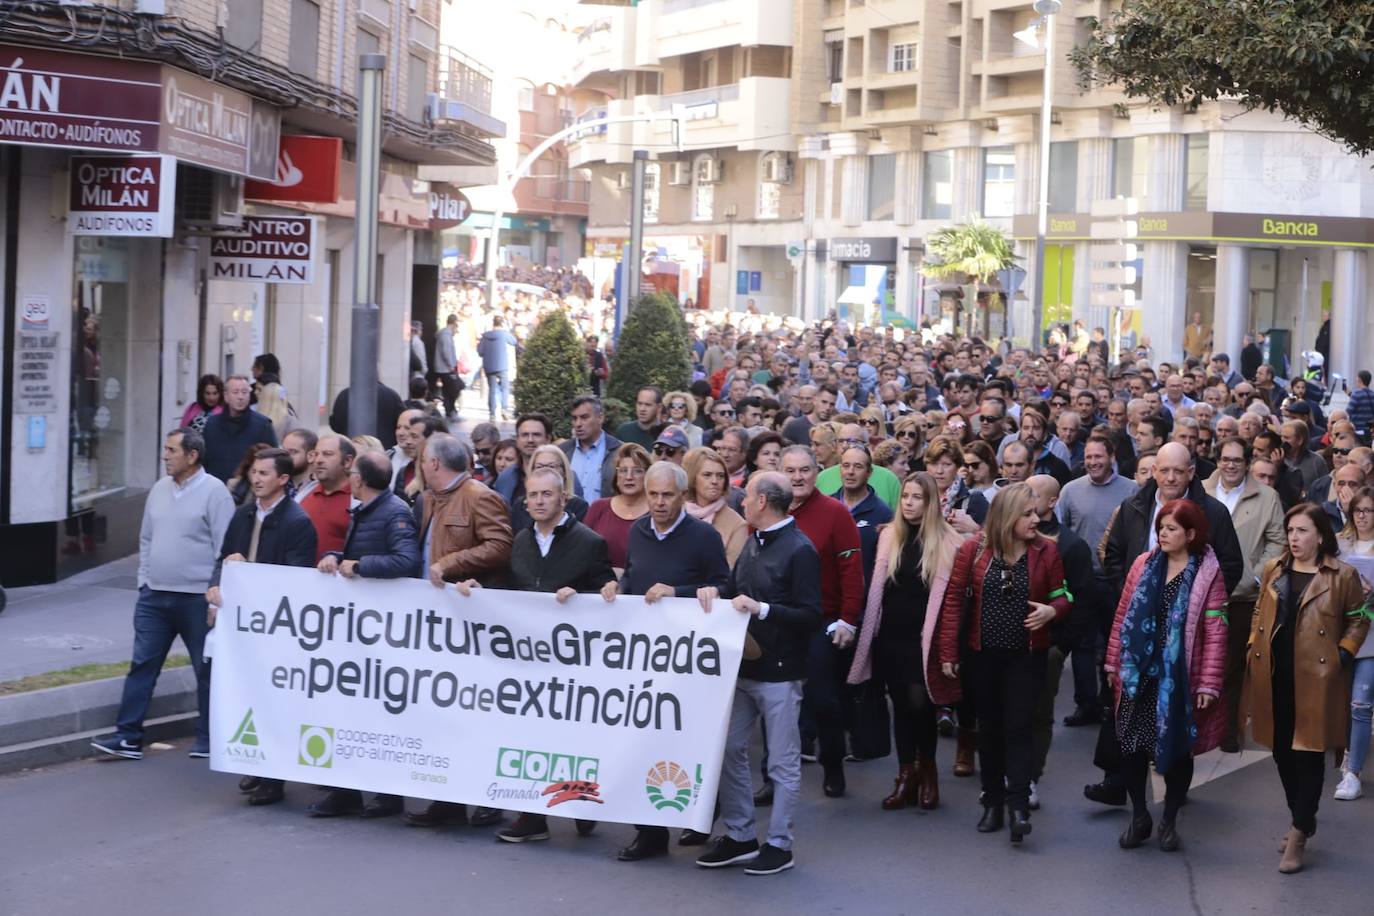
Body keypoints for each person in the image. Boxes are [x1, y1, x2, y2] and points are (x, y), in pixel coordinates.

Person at [453, 466, 614, 844]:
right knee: (531, 737)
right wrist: (482, 589)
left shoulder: (589, 542)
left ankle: (581, 804)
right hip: (527, 661)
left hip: (573, 662)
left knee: (573, 739)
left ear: (563, 498)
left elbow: (608, 593)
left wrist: (581, 596)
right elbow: (511, 587)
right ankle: (532, 817)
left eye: (546, 495)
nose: (539, 502)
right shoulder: (520, 541)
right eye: (533, 496)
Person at [1091, 442, 1244, 805]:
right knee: (1123, 710)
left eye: (1179, 470)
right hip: (1138, 629)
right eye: (1165, 470)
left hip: (1184, 638)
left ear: (1192, 472)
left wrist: (1200, 599)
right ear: (1154, 471)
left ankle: (1172, 794)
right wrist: (1130, 593)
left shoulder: (1213, 512)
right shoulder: (1134, 505)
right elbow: (1113, 553)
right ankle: (1121, 787)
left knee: (1174, 718)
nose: (1171, 477)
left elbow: (1230, 565)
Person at [694, 471, 822, 876]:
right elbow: (734, 591)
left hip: (781, 673)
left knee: (782, 762)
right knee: (730, 749)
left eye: (746, 495)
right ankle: (741, 835)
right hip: (744, 666)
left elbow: (811, 615)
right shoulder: (754, 540)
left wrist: (762, 609)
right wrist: (716, 593)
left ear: (763, 501)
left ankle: (780, 844)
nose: (741, 500)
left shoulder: (800, 550)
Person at [603, 461, 730, 862]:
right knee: (645, 738)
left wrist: (681, 591)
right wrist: (616, 586)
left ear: (683, 495)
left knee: (690, 739)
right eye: (652, 494)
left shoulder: (704, 536)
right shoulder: (639, 531)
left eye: (667, 495)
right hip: (645, 656)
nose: (658, 503)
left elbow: (725, 587)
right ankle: (650, 831)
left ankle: (704, 810)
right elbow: (635, 581)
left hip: (689, 658)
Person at [937, 483, 1071, 843]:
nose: (1035, 519)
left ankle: (1018, 807)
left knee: (1019, 728)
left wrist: (1052, 610)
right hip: (982, 655)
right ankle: (992, 802)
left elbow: (1065, 594)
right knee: (990, 729)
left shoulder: (1047, 551)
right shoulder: (974, 550)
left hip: (1026, 657)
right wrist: (948, 653)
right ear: (1007, 517)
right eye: (1026, 514)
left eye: (1035, 512)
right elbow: (953, 603)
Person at [91, 429, 234, 761]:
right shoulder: (158, 489)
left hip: (196, 599)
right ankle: (128, 737)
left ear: (192, 455)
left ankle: (209, 738)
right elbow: (146, 539)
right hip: (154, 597)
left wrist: (216, 596)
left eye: (171, 450)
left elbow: (224, 549)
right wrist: (144, 581)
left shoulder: (215, 494)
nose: (165, 455)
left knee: (206, 669)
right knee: (142, 666)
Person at [1244, 503, 1370, 873]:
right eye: (1290, 530)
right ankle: (1302, 815)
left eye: (1301, 530)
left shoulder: (1341, 575)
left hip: (1317, 677)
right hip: (1275, 673)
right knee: (1282, 752)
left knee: (1309, 753)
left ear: (1320, 535)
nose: (1294, 538)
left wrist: (1342, 656)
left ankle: (1299, 832)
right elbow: (1258, 612)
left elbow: (1359, 619)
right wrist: (1254, 644)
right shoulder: (1274, 569)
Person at [1105, 499, 1229, 852]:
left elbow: (1216, 631)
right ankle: (1140, 815)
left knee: (1176, 751)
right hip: (1139, 671)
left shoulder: (1207, 573)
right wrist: (1114, 663)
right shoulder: (1144, 564)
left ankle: (1170, 820)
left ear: (1191, 534)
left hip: (1180, 677)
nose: (1163, 534)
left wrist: (1209, 682)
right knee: (1130, 745)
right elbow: (1123, 614)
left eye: (1171, 528)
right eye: (1161, 527)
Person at [308, 449, 421, 819]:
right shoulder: (368, 510)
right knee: (349, 709)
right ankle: (347, 790)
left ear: (358, 479)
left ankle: (388, 794)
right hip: (361, 629)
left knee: (380, 714)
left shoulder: (394, 512)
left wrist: (359, 566)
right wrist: (337, 556)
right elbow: (362, 553)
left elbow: (406, 561)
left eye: (352, 472)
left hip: (382, 632)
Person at [205, 448, 317, 806]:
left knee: (275, 701)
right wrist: (216, 590)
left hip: (276, 628)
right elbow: (224, 558)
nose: (256, 479)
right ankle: (254, 762)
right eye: (253, 472)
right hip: (242, 624)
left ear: (283, 480)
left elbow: (294, 583)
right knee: (247, 695)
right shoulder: (243, 515)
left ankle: (274, 778)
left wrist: (248, 574)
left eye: (264, 474)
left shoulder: (297, 522)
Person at [848, 472, 962, 810]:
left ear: (931, 504)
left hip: (924, 641)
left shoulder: (949, 542)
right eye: (905, 496)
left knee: (922, 707)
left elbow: (954, 601)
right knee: (900, 707)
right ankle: (905, 775)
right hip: (890, 638)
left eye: (917, 498)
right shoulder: (889, 537)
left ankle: (927, 774)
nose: (909, 503)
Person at [782, 444, 865, 796]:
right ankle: (775, 776)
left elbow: (851, 570)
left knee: (823, 699)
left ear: (817, 473)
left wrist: (848, 619)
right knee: (776, 702)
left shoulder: (835, 512)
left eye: (805, 470)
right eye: (790, 471)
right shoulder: (768, 508)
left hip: (822, 620)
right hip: (777, 620)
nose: (798, 478)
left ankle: (832, 764)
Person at [1203, 437, 1286, 751]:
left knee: (1233, 666)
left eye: (1237, 460)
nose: (1230, 465)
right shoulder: (1200, 491)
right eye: (1225, 459)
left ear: (1247, 462)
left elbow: (1278, 542)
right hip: (1202, 593)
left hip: (1243, 596)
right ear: (1218, 461)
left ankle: (1226, 730)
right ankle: (1197, 725)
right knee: (1199, 662)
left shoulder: (1267, 497)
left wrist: (1254, 575)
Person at [1334, 486, 1374, 801]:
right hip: (1342, 631)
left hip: (1372, 636)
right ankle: (1347, 751)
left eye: (1369, 510)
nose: (1362, 516)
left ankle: (1354, 773)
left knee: (1361, 702)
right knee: (1340, 701)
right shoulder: (1339, 544)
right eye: (1358, 510)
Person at [582, 443, 652, 572]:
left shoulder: (656, 511)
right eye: (623, 470)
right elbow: (582, 551)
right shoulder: (598, 508)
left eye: (637, 471)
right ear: (616, 476)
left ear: (647, 475)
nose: (629, 477)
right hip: (600, 587)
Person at [835, 445, 895, 589]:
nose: (850, 472)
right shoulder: (826, 507)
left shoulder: (883, 514)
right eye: (846, 465)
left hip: (864, 600)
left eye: (858, 467)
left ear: (869, 472)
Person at [202, 375, 278, 481]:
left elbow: (274, 461)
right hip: (216, 488)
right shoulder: (212, 424)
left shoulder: (263, 425)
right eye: (236, 392)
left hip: (249, 490)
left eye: (244, 392)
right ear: (226, 396)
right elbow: (204, 460)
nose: (240, 397)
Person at [684, 447, 748, 567]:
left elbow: (729, 573)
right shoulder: (677, 513)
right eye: (707, 475)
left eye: (720, 476)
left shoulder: (737, 525)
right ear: (692, 479)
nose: (715, 481)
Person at [816, 423, 901, 509]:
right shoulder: (821, 478)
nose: (845, 446)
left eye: (852, 441)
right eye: (841, 441)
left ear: (867, 446)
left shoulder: (889, 479)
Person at [299, 435, 356, 562]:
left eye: (327, 454)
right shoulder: (302, 496)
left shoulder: (360, 501)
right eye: (316, 454)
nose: (318, 460)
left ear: (347, 461)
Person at [563, 395, 622, 502]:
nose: (578, 424)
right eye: (574, 418)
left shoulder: (620, 451)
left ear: (600, 418)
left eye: (584, 417)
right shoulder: (562, 452)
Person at [328, 380, 406, 450]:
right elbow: (403, 421)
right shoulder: (391, 395)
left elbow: (335, 424)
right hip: (385, 449)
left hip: (351, 448)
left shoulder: (344, 395)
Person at [477, 315, 519, 421]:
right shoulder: (504, 334)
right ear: (502, 323)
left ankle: (492, 413)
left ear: (493, 323)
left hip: (489, 366)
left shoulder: (485, 336)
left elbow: (480, 352)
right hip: (502, 365)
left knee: (492, 389)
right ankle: (504, 409)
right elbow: (514, 341)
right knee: (505, 388)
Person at [433, 313, 463, 420]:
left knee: (449, 390)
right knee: (454, 389)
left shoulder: (445, 334)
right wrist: (451, 365)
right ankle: (450, 410)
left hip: (444, 367)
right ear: (454, 324)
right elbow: (446, 352)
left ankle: (450, 410)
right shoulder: (446, 335)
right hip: (446, 368)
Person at [282, 428, 318, 500]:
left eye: (292, 452)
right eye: (283, 451)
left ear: (311, 456)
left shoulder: (319, 488)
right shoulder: (278, 485)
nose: (284, 456)